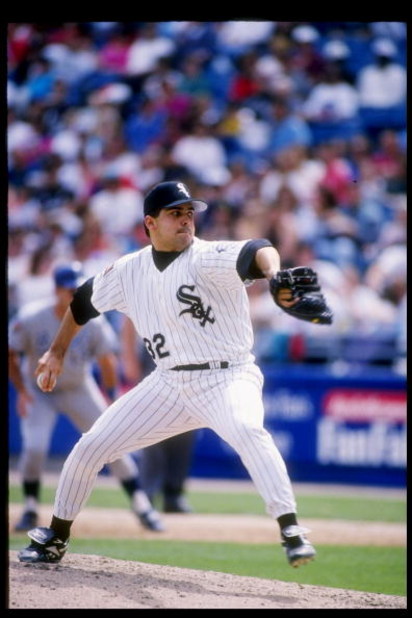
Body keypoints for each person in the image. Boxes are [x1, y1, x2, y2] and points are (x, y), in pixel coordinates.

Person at [18, 180, 317, 568]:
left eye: (190, 212)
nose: (186, 220)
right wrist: (55, 353)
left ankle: (291, 528)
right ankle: (55, 537)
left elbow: (258, 249)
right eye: (175, 213)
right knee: (90, 447)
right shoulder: (128, 270)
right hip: (169, 384)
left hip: (228, 377)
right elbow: (82, 303)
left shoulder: (207, 256)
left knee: (247, 431)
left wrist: (275, 275)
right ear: (150, 222)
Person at [9, 262, 164, 533]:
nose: (75, 294)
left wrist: (114, 396)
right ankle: (31, 506)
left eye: (78, 288)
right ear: (56, 290)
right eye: (70, 289)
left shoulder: (93, 321)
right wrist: (22, 391)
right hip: (39, 390)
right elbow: (11, 351)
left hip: (79, 387)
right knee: (34, 447)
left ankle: (142, 505)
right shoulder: (33, 316)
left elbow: (107, 361)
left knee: (111, 440)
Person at [120, 316, 195, 513]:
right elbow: (128, 316)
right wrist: (128, 357)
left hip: (192, 353)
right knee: (154, 421)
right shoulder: (150, 284)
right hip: (156, 351)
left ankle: (173, 494)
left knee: (187, 424)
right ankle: (147, 493)